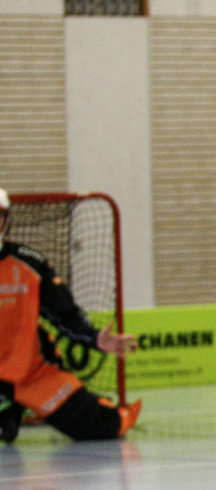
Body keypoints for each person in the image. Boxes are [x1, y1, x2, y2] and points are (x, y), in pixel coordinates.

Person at [0, 187, 142, 443]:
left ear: (7, 220)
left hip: (30, 375)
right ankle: (7, 410)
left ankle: (15, 405)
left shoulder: (30, 264)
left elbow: (64, 314)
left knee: (103, 425)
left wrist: (94, 338)